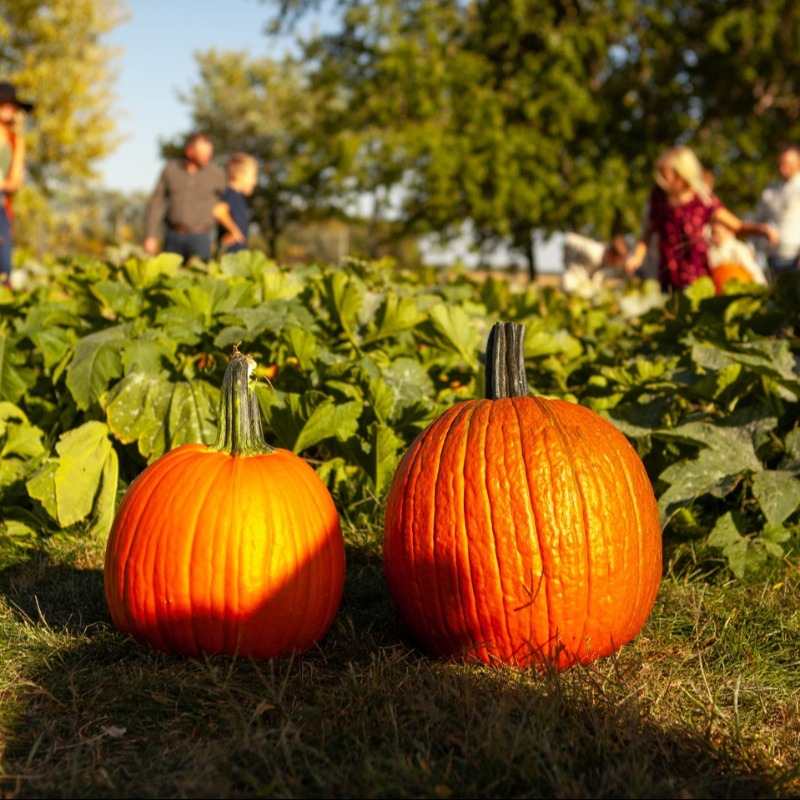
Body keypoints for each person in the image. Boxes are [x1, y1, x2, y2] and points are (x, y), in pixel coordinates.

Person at [625, 145, 777, 292]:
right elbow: (647, 233)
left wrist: (762, 230)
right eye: (662, 175)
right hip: (667, 275)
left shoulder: (703, 200)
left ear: (682, 173)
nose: (664, 180)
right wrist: (637, 257)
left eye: (668, 175)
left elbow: (736, 226)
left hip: (697, 276)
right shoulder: (659, 198)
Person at [144, 133, 232, 262]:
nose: (208, 157)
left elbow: (229, 202)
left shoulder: (217, 174)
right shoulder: (171, 170)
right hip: (173, 237)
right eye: (204, 154)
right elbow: (156, 202)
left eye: (209, 154)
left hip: (201, 238)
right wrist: (150, 235)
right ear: (190, 152)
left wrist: (230, 231)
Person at [0, 81, 33, 287]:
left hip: (1, 205)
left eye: (11, 105)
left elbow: (16, 182)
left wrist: (2, 183)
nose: (7, 109)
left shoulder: (16, 141)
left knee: (3, 268)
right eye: (3, 104)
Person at [753, 144, 800, 279]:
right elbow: (758, 221)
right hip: (773, 258)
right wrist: (753, 247)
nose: (783, 167)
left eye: (787, 163)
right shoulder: (770, 191)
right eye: (781, 163)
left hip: (796, 258)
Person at [213, 152, 258, 255]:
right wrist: (234, 231)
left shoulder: (238, 197)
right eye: (253, 175)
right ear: (239, 175)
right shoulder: (231, 194)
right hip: (230, 256)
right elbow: (218, 211)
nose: (255, 181)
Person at [561, 232, 628, 296]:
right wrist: (567, 262)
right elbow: (570, 238)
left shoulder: (607, 265)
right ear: (611, 254)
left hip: (585, 287)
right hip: (571, 283)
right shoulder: (593, 251)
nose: (618, 264)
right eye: (618, 260)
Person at [707, 217, 768, 286]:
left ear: (729, 231)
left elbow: (752, 269)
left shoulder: (737, 248)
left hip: (739, 286)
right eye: (713, 233)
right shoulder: (711, 250)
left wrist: (761, 286)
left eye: (717, 233)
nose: (714, 237)